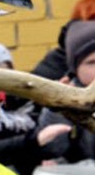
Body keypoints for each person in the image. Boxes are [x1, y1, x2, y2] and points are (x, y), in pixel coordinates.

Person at [40, 19, 95, 164]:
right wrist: (59, 106)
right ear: (74, 69)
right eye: (92, 63)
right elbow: (53, 149)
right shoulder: (63, 99)